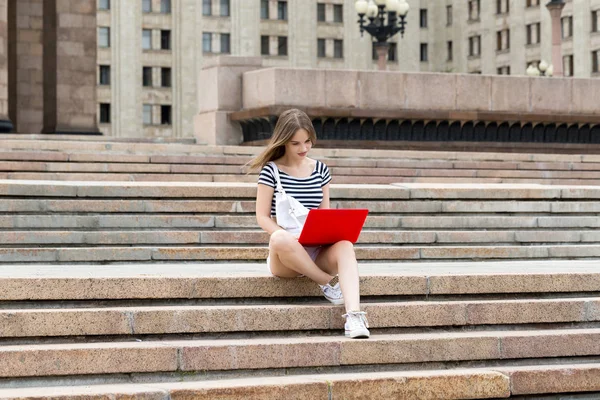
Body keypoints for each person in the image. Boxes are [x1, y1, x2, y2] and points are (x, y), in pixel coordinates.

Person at [247, 108, 370, 339]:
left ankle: (354, 317)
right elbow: (262, 217)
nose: (303, 149)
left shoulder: (321, 170)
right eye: (295, 143)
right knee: (278, 237)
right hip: (286, 255)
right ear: (283, 141)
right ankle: (326, 283)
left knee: (345, 245)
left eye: (308, 142)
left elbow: (325, 213)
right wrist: (287, 236)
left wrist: (334, 232)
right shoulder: (270, 172)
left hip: (316, 248)